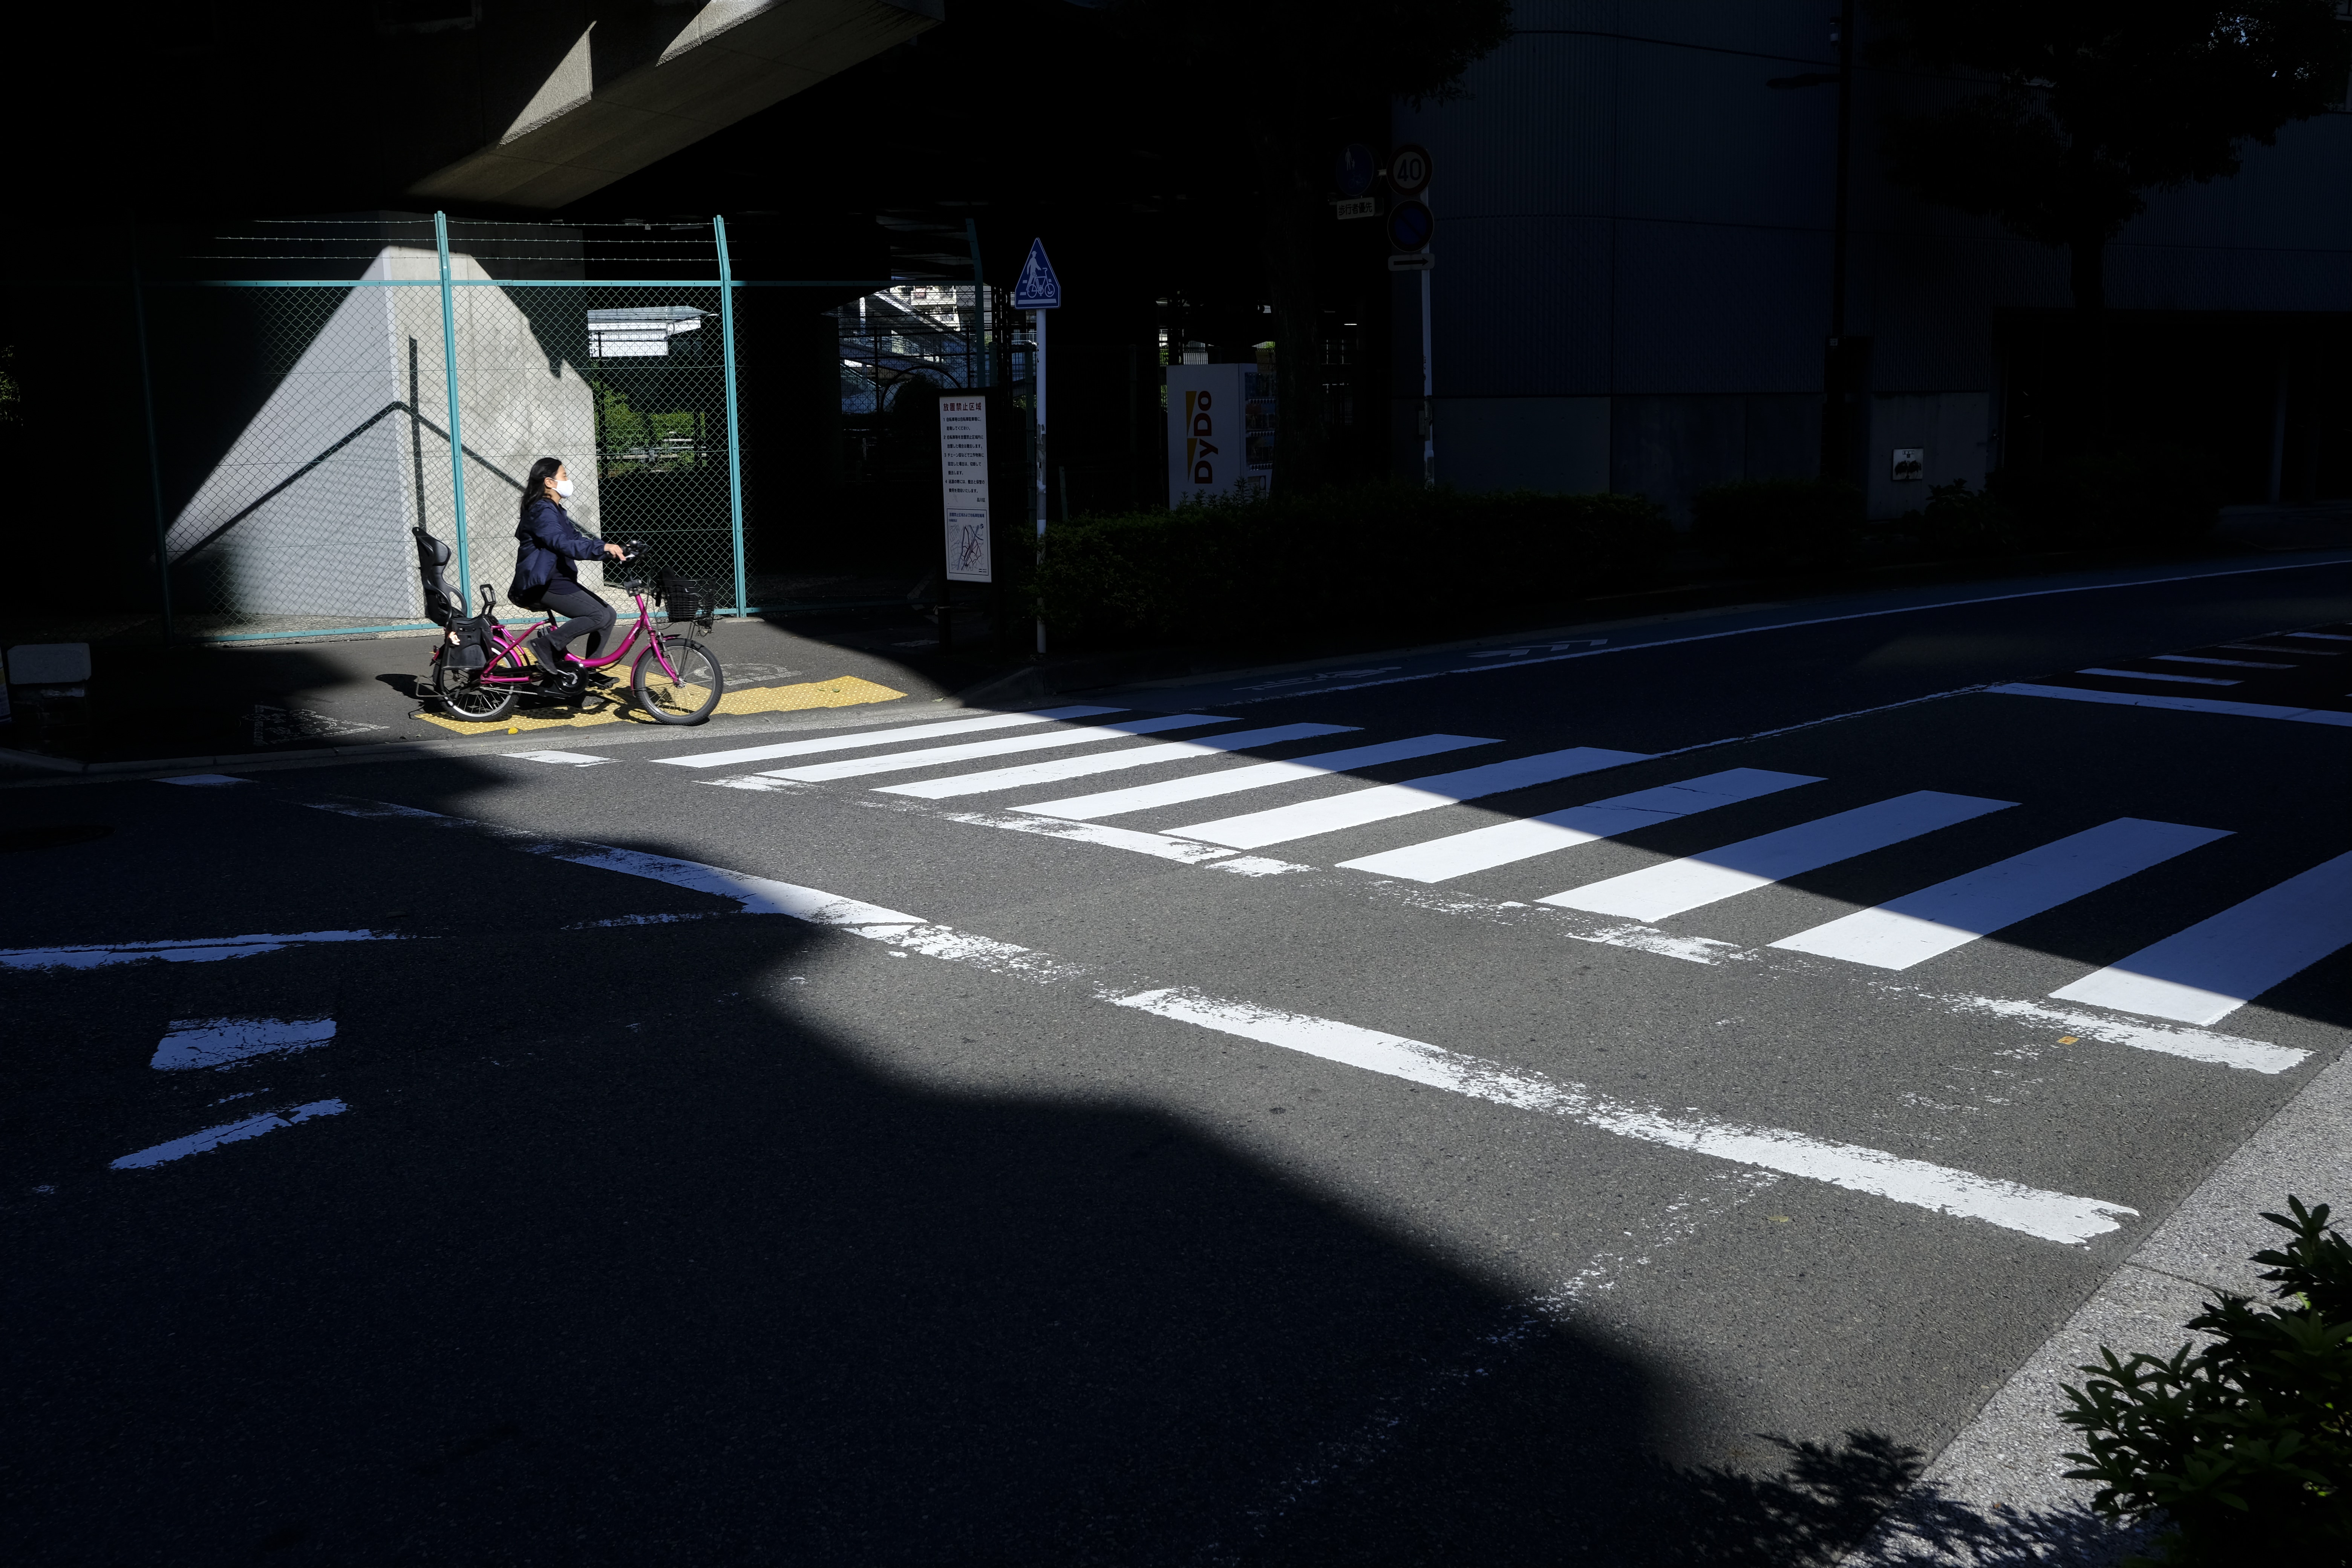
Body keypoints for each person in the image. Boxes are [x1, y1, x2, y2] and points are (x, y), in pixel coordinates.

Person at [510, 457, 625, 693]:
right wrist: (603, 548)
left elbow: (575, 540)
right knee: (597, 615)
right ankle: (546, 645)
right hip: (544, 583)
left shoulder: (555, 510)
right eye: (564, 476)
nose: (568, 480)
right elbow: (561, 543)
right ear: (549, 482)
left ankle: (588, 671)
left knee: (608, 614)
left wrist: (609, 550)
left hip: (557, 579)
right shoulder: (542, 510)